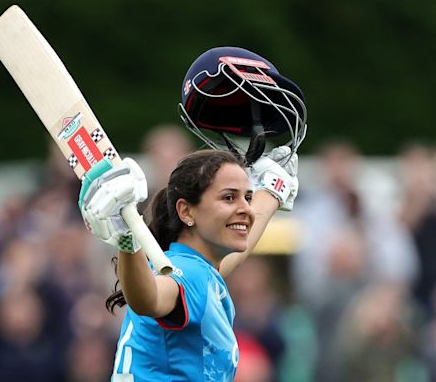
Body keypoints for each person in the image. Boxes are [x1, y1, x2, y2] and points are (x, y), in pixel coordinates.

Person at [79, 46, 307, 381]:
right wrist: (127, 241)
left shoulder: (204, 271)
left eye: (247, 196)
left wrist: (271, 191)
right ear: (187, 211)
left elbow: (237, 252)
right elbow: (148, 299)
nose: (245, 207)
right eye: (229, 197)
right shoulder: (189, 276)